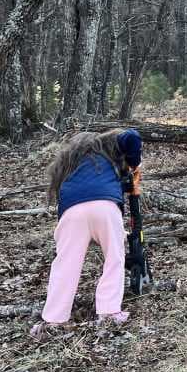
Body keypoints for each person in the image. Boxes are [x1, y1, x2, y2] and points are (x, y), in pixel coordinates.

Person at [32, 129, 143, 338]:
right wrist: (133, 164)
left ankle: (53, 319)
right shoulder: (108, 149)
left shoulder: (68, 166)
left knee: (65, 265)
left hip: (71, 213)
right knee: (114, 258)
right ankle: (109, 312)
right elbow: (132, 137)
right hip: (105, 207)